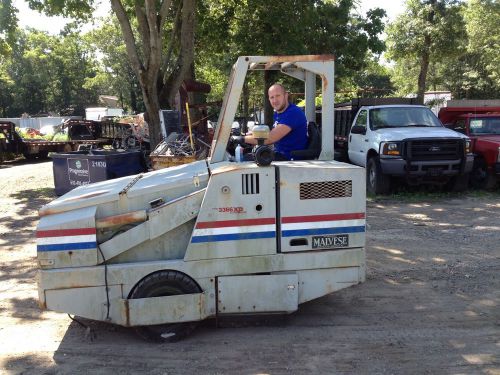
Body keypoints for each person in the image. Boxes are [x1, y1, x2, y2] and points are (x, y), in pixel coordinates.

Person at [234, 83, 308, 160]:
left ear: (286, 96)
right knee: (245, 155)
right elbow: (274, 134)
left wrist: (242, 139)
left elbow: (270, 138)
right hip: (280, 154)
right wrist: (253, 135)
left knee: (243, 160)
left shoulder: (293, 113)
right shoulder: (278, 113)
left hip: (289, 159)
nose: (275, 100)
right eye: (272, 97)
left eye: (278, 96)